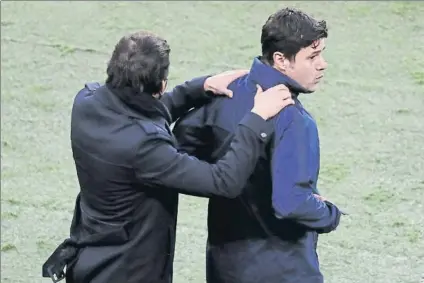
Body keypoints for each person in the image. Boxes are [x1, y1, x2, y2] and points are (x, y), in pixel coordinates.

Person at [41, 30, 294, 283]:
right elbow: (223, 181)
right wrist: (257, 118)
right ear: (161, 85)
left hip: (90, 260)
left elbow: (139, 115)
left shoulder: (86, 101)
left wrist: (199, 87)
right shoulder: (145, 148)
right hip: (128, 272)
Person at [173, 8, 343, 283]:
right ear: (281, 60)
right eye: (312, 56)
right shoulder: (295, 120)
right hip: (283, 270)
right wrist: (329, 213)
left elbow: (177, 148)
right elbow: (291, 203)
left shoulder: (223, 92)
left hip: (224, 266)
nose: (322, 64)